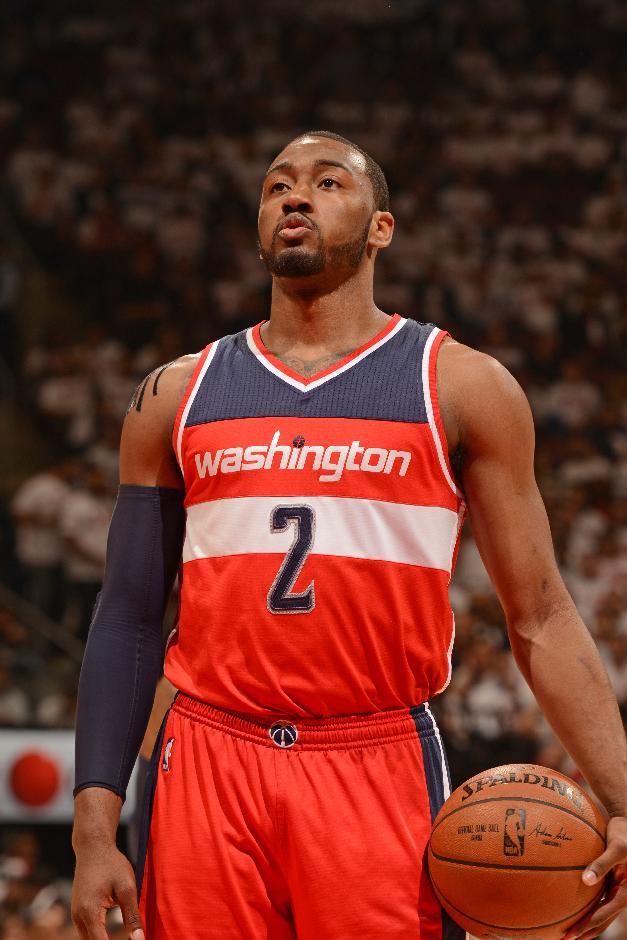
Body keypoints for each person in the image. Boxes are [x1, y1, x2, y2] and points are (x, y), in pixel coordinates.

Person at [71, 131, 627, 940]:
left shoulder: (460, 385)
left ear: (381, 228)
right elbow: (124, 618)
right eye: (276, 186)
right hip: (207, 754)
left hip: (376, 755)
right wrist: (93, 834)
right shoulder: (174, 394)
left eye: (327, 182)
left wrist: (619, 796)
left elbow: (539, 612)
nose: (294, 196)